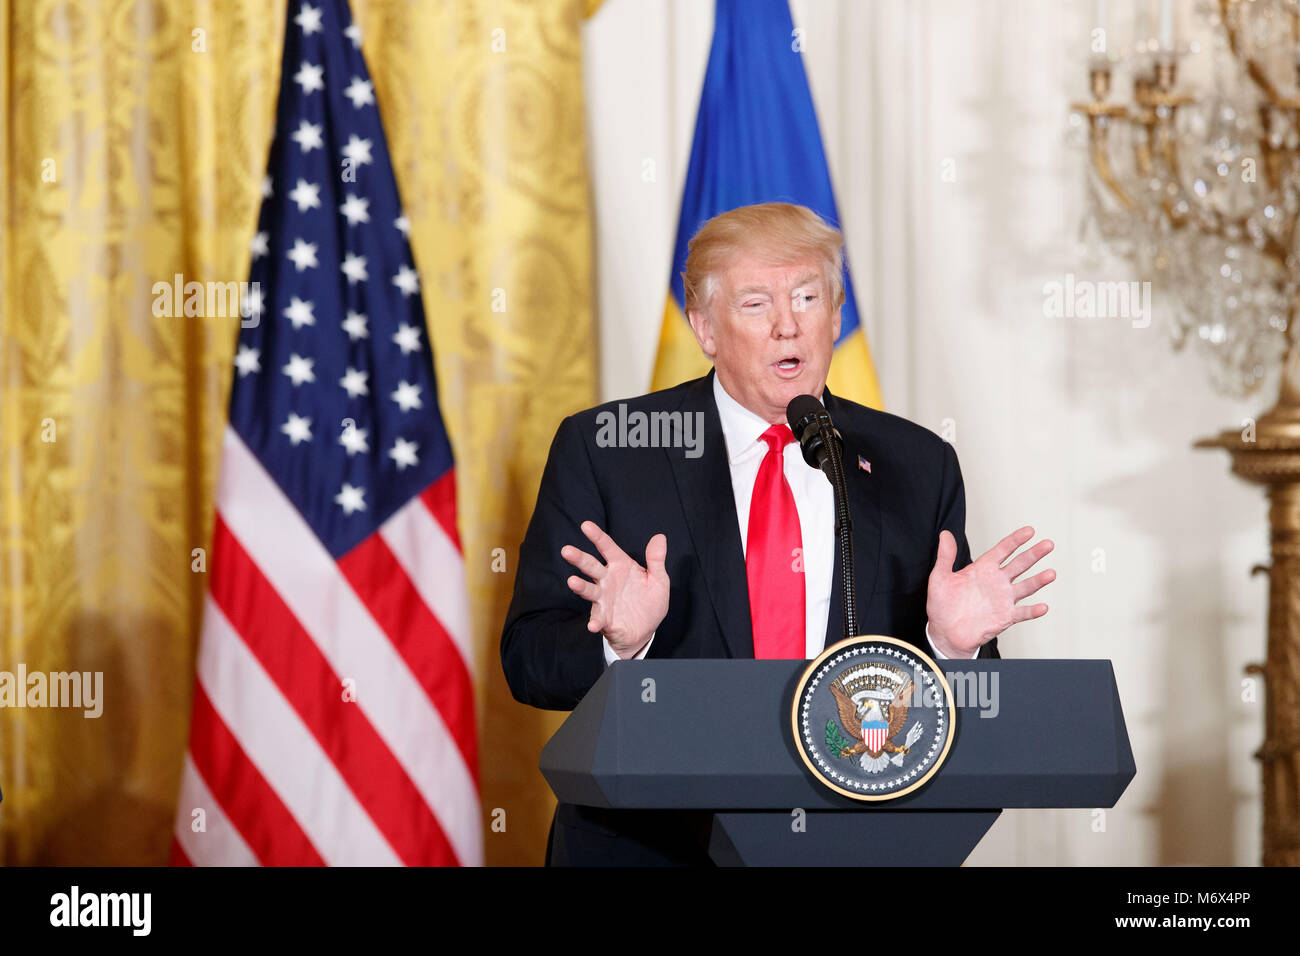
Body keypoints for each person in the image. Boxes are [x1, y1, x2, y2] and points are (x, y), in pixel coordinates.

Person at [500, 201, 1055, 865]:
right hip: (649, 848)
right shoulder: (609, 449)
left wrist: (951, 648)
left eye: (807, 296)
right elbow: (528, 659)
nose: (787, 325)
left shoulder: (915, 463)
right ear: (705, 327)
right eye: (756, 303)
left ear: (836, 316)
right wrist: (623, 648)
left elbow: (952, 706)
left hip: (848, 845)